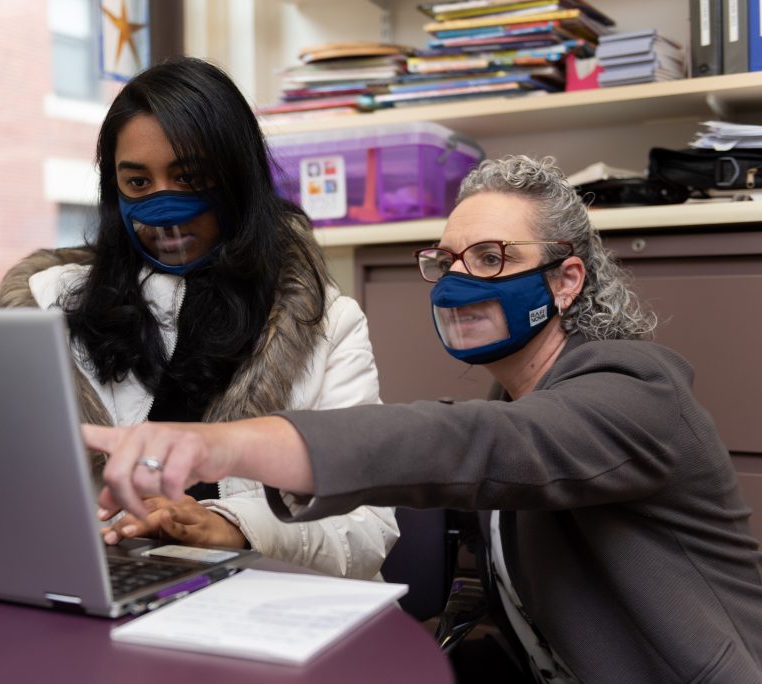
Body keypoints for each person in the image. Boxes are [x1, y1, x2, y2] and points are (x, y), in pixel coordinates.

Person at [84, 156, 762, 682]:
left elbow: (474, 444)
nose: (459, 282)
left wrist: (221, 448)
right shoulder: (520, 400)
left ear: (566, 281)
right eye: (446, 263)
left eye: (492, 258)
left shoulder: (637, 389)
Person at [0, 56, 398, 581]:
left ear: (239, 181)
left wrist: (234, 527)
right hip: (77, 604)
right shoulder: (46, 306)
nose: (162, 206)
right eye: (137, 183)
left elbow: (370, 531)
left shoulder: (323, 324)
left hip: (256, 612)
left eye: (190, 176)